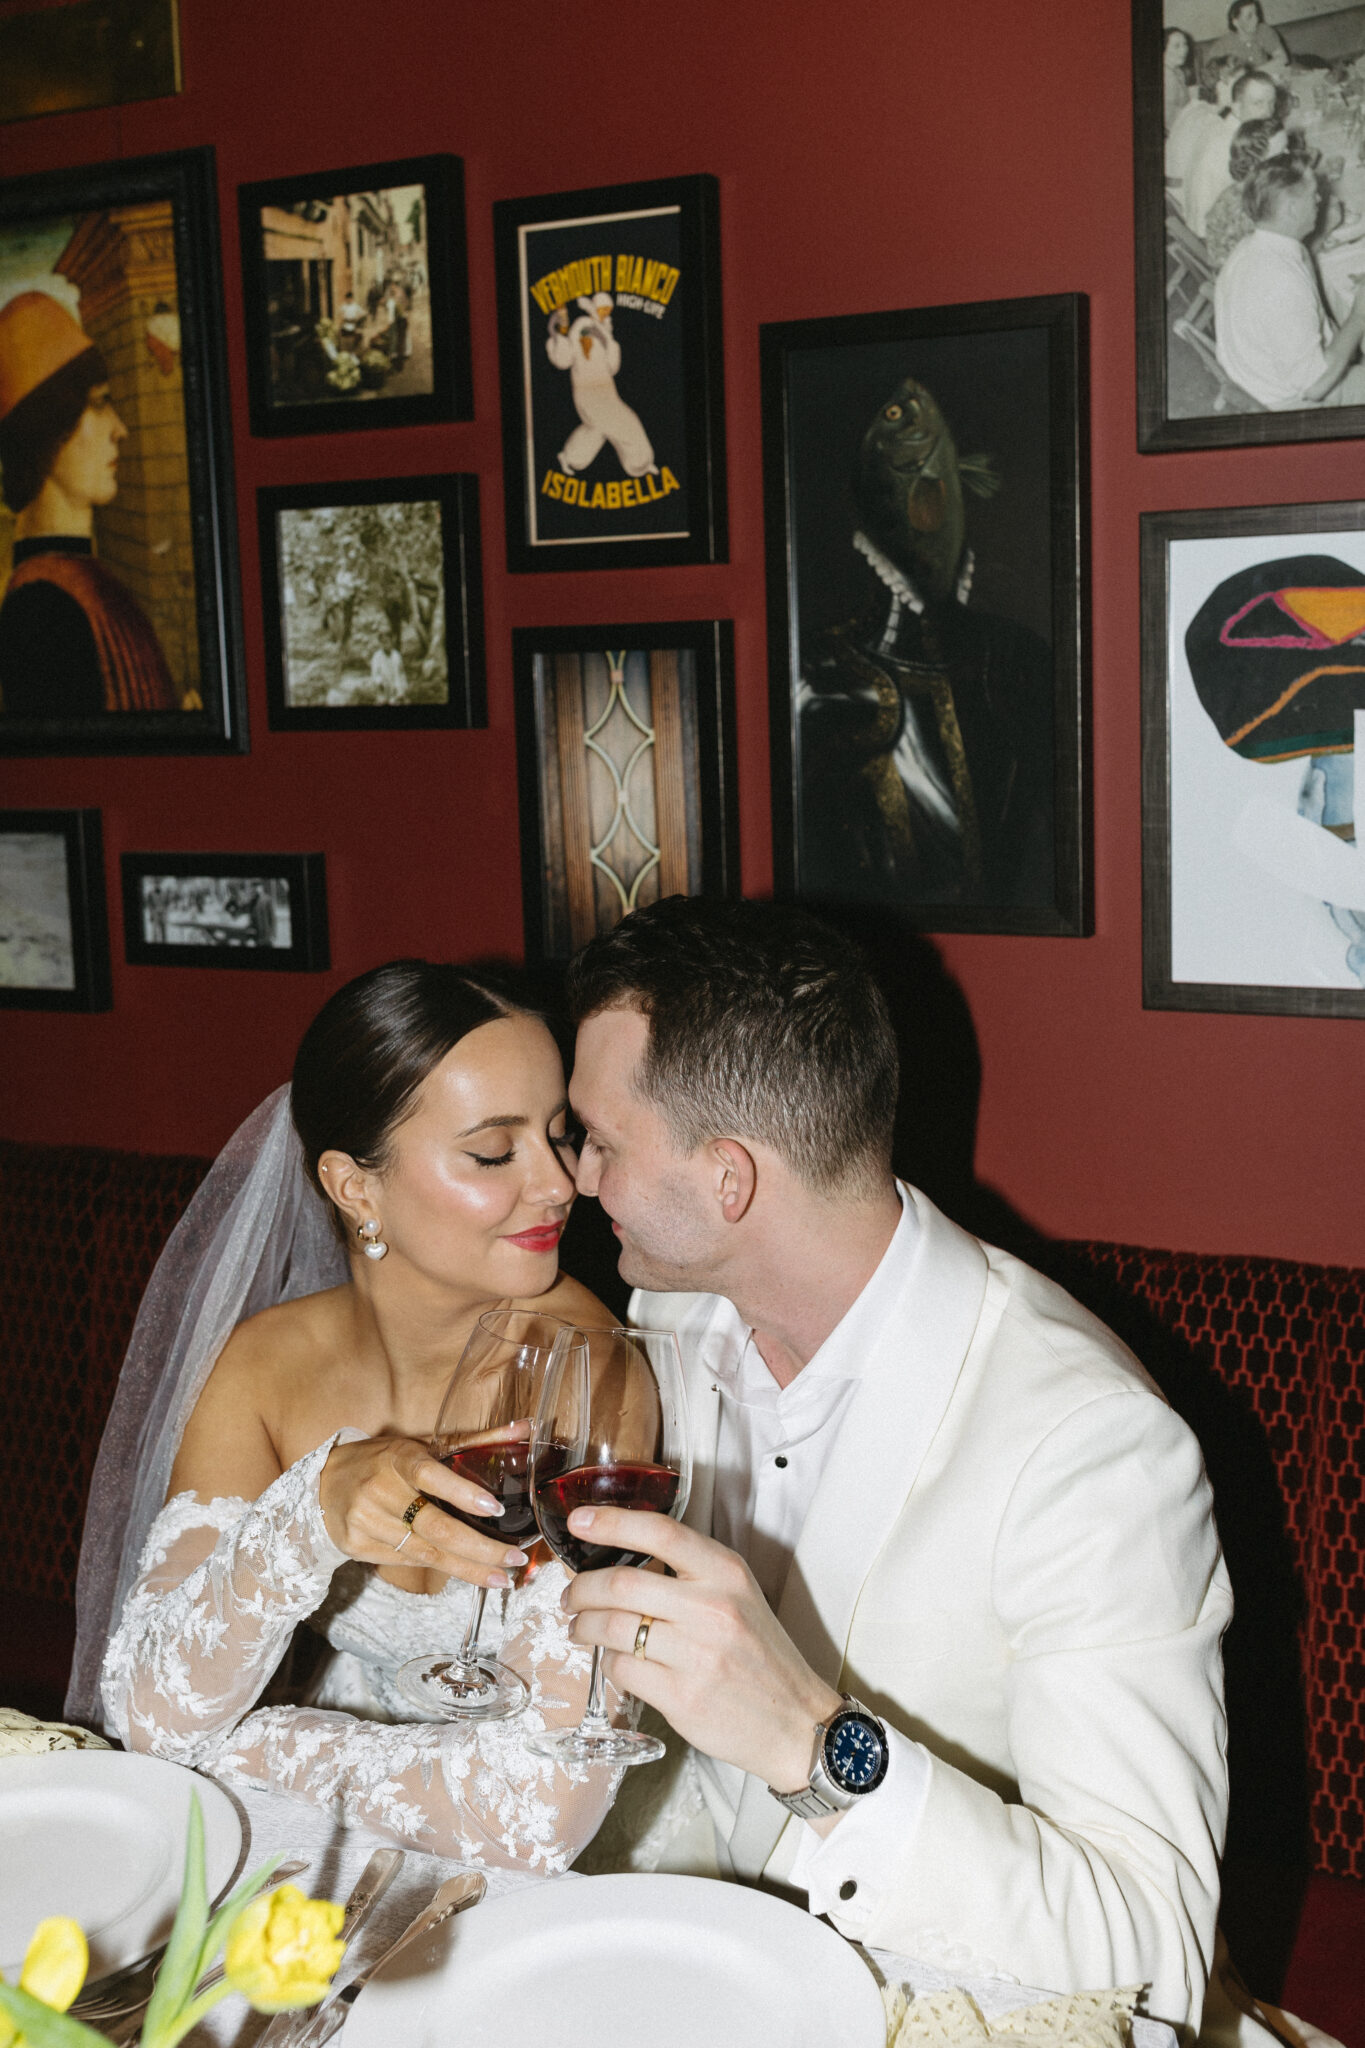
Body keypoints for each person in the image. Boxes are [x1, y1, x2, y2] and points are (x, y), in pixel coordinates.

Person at [557, 895, 1317, 2048]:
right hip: (705, 1963)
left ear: (729, 1181)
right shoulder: (667, 1304)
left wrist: (816, 1746)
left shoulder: (1093, 1444)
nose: (576, 1175)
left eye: (600, 1140)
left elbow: (1150, 1950)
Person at [68, 960, 625, 1871]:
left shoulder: (589, 1369)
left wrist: (237, 1751)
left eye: (560, 1137)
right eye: (495, 1152)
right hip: (335, 1843)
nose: (560, 1184)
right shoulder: (262, 1368)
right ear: (353, 1186)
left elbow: (542, 1809)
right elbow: (148, 1708)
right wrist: (309, 1518)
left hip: (558, 1875)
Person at [0, 291, 179, 720]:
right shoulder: (41, 610)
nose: (121, 429)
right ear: (48, 431)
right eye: (100, 403)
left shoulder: (81, 579)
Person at [1215, 157, 1365, 407]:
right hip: (1295, 403)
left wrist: (1324, 231)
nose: (1319, 200)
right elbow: (1315, 386)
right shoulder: (1280, 284)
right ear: (1292, 210)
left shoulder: (1251, 246)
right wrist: (1359, 314)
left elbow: (1298, 265)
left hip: (1260, 376)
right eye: (1313, 195)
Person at [547, 292, 657, 479]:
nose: (606, 313)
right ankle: (641, 463)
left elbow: (613, 367)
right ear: (595, 308)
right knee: (626, 422)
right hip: (587, 393)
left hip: (607, 391)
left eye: (608, 310)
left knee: (597, 429)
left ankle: (570, 458)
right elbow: (564, 360)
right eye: (603, 309)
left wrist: (607, 338)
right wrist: (560, 334)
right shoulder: (581, 325)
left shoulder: (605, 330)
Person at [1183, 67, 1280, 236]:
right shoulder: (1238, 144)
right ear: (1236, 107)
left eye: (1271, 102)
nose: (1268, 112)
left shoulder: (1225, 127)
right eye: (1258, 103)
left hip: (1205, 224)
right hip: (1216, 236)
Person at [1200, 0, 1290, 88]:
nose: (1256, 19)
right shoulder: (1223, 44)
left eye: (1256, 14)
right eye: (1249, 16)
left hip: (1265, 83)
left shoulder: (1264, 30)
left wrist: (1251, 73)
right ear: (1236, 22)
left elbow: (1283, 59)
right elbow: (1208, 76)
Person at [1165, 25, 1195, 133]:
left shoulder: (1178, 71)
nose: (1184, 50)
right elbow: (1169, 119)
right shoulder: (1166, 76)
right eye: (1177, 46)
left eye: (1185, 44)